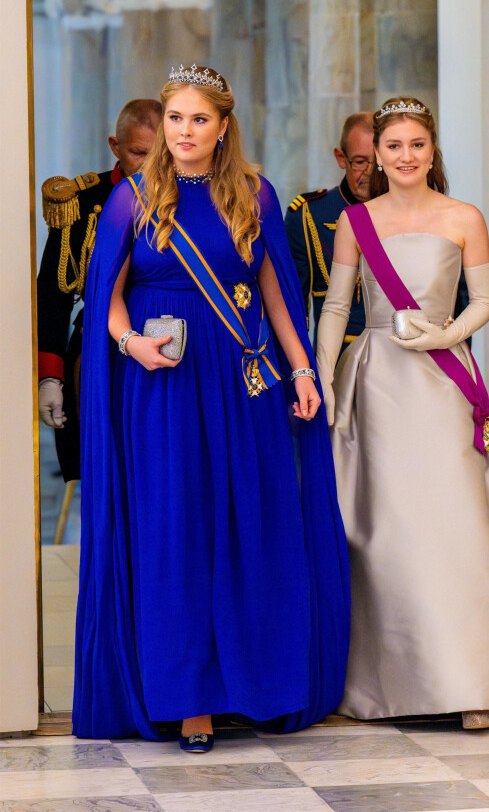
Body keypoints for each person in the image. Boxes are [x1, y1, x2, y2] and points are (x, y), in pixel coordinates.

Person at [73, 64, 350, 749]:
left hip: (239, 382)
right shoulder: (130, 199)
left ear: (224, 126)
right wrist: (131, 341)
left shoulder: (254, 194)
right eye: (175, 119)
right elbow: (104, 294)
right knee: (177, 531)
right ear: (162, 127)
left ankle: (253, 683)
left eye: (200, 119)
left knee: (245, 525)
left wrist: (304, 368)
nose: (186, 132)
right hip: (161, 383)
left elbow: (277, 293)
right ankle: (189, 697)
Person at [317, 96, 489, 728]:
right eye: (393, 147)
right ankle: (396, 686)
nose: (405, 156)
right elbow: (335, 307)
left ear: (432, 150)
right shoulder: (357, 222)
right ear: (375, 155)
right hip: (379, 380)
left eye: (417, 145)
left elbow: (486, 300)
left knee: (461, 528)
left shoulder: (464, 215)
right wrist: (325, 377)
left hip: (443, 380)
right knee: (390, 534)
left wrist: (446, 336)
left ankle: (473, 684)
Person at [37, 99, 162, 481]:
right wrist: (49, 376)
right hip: (100, 347)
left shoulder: (187, 199)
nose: (150, 165)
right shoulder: (81, 203)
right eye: (139, 153)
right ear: (116, 147)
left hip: (166, 340)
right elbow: (54, 295)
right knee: (105, 467)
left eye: (160, 153)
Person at [285, 113, 373, 352]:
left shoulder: (407, 213)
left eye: (378, 161)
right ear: (341, 158)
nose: (370, 172)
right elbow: (295, 306)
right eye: (360, 161)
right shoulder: (307, 214)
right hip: (334, 361)